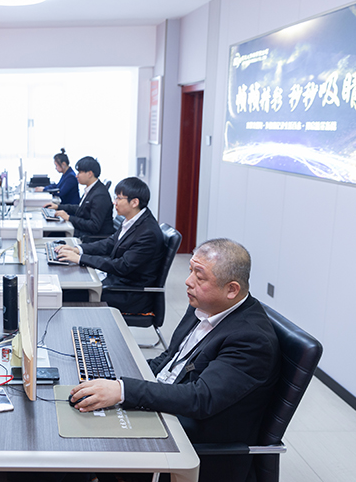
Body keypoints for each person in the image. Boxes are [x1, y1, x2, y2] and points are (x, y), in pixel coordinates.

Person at [69, 239, 281, 482]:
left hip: (191, 438)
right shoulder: (204, 305)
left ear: (232, 289)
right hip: (170, 407)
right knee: (77, 416)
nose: (188, 281)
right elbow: (170, 359)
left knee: (81, 439)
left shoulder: (252, 339)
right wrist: (115, 375)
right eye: (190, 270)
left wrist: (124, 390)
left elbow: (200, 399)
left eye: (199, 276)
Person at [55, 177, 165, 311]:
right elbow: (110, 243)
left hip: (126, 293)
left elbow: (122, 266)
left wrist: (80, 259)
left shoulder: (148, 233)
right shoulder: (134, 219)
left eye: (119, 198)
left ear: (134, 202)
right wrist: (78, 249)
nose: (114, 202)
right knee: (67, 284)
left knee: (63, 294)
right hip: (115, 281)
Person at [45, 156, 114, 238]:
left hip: (91, 238)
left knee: (52, 235)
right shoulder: (91, 189)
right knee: (52, 232)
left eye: (79, 173)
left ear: (89, 174)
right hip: (84, 232)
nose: (76, 176)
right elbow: (81, 208)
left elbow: (94, 226)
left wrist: (69, 218)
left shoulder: (100, 195)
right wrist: (58, 207)